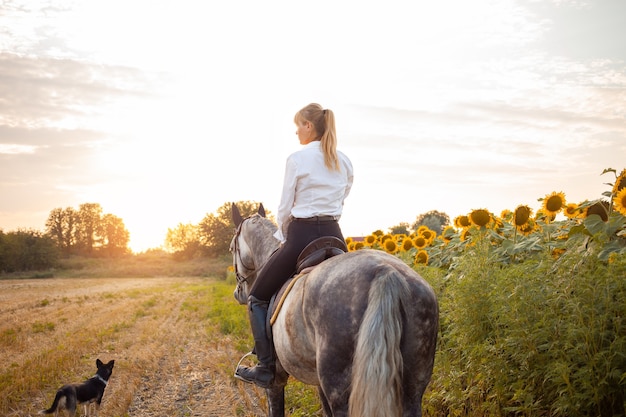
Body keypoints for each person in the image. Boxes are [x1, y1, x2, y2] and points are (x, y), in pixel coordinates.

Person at [235, 103, 354, 388]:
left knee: (257, 298)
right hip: (335, 234)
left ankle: (265, 367)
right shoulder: (344, 160)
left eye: (299, 125)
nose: (296, 131)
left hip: (301, 235)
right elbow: (345, 193)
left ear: (309, 126)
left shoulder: (297, 159)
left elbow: (284, 208)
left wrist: (282, 237)